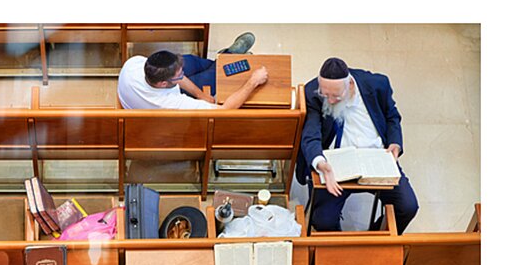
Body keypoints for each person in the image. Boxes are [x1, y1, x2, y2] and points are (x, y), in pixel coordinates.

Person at [296, 57, 419, 234]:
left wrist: (395, 143)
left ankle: (377, 237)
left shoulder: (377, 84)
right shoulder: (312, 92)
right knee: (323, 220)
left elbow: (392, 116)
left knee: (407, 207)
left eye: (336, 96)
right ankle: (342, 246)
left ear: (351, 86)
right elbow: (311, 134)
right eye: (326, 95)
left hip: (375, 158)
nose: (330, 100)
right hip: (336, 164)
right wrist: (320, 163)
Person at [117, 33, 269, 110]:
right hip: (163, 101)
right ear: (163, 83)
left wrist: (201, 95)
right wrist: (253, 81)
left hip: (156, 87)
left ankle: (224, 58)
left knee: (192, 60)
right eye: (179, 75)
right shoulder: (172, 103)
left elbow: (176, 75)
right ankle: (226, 57)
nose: (182, 74)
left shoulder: (133, 64)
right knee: (213, 75)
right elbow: (225, 110)